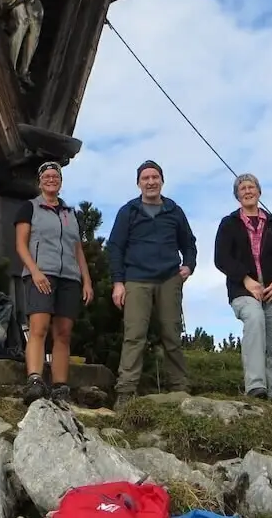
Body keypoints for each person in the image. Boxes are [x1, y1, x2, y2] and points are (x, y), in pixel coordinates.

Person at [107, 160, 198, 409]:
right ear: (138, 183)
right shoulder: (129, 212)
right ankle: (125, 392)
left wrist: (189, 265)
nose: (150, 182)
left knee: (172, 334)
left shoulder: (174, 210)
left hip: (169, 278)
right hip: (136, 279)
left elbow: (189, 242)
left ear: (162, 181)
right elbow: (115, 247)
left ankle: (179, 389)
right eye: (145, 178)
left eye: (155, 177)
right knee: (134, 335)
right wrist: (118, 282)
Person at [213, 173, 272, 400]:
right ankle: (256, 386)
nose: (248, 191)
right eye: (242, 189)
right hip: (243, 291)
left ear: (259, 192)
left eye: (251, 187)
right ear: (237, 196)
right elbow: (221, 258)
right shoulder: (229, 224)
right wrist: (246, 279)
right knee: (254, 320)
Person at [14, 161, 94, 405]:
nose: (51, 180)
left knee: (64, 333)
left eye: (55, 176)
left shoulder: (70, 214)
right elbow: (20, 244)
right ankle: (35, 379)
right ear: (40, 181)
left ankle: (60, 385)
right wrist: (35, 272)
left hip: (69, 277)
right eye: (46, 176)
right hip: (41, 273)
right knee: (39, 328)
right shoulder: (29, 208)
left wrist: (86, 280)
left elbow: (77, 249)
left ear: (60, 181)